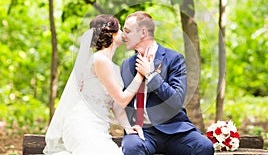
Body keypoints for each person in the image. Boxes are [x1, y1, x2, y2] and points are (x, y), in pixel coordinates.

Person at [43, 14, 145, 155]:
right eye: (120, 29)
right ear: (112, 34)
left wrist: (128, 127)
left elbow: (116, 104)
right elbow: (122, 98)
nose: (122, 33)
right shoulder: (99, 60)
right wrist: (140, 75)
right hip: (82, 124)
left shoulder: (113, 67)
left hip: (99, 127)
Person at [121, 11, 214, 155]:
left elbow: (176, 101)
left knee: (204, 147)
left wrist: (151, 75)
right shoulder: (126, 64)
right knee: (132, 148)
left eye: (127, 31)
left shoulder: (174, 59)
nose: (123, 35)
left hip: (174, 130)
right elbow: (122, 103)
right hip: (142, 132)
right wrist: (129, 126)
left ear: (143, 32)